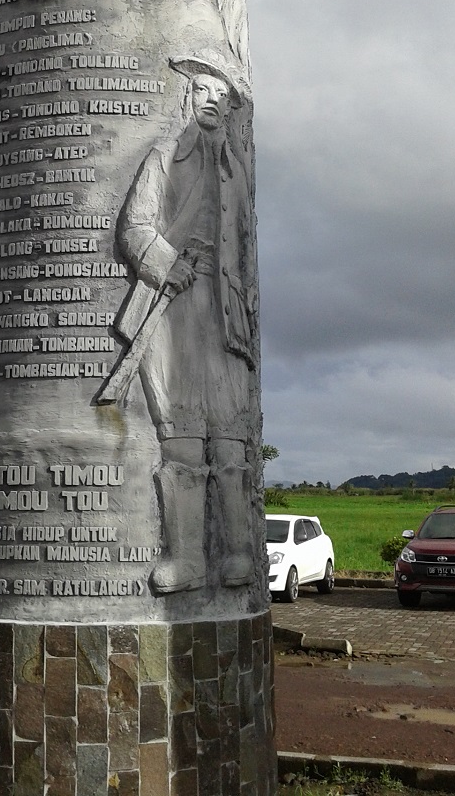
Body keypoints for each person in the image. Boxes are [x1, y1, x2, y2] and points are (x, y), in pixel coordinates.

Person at [115, 51, 258, 594]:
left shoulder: (237, 175)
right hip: (173, 308)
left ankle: (238, 554)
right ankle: (189, 558)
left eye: (221, 98)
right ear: (186, 98)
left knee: (229, 439)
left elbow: (243, 246)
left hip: (226, 315)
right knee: (180, 440)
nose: (212, 104)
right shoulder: (161, 156)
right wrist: (169, 264)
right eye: (202, 92)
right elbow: (134, 227)